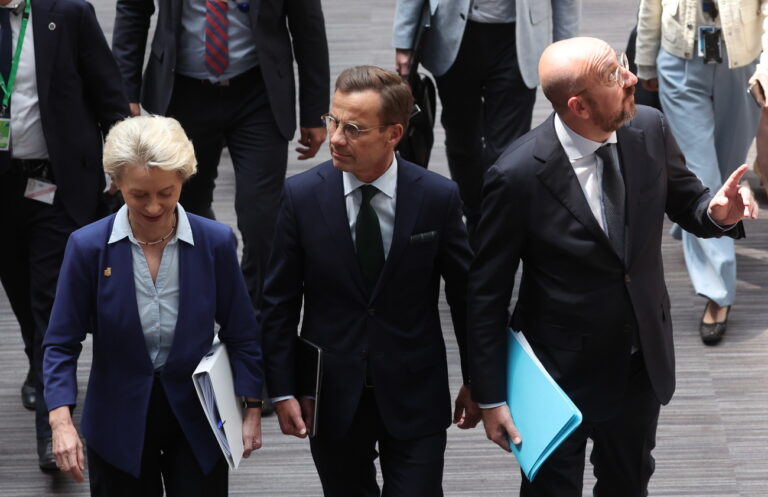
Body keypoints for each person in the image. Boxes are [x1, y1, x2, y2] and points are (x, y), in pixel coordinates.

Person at [468, 37, 757, 496]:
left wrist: (716, 213)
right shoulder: (516, 175)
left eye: (621, 65)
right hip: (556, 378)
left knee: (628, 483)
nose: (631, 79)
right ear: (578, 106)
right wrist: (489, 394)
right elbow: (485, 294)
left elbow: (688, 201)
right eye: (612, 75)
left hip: (639, 365)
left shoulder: (649, 128)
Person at [260, 65, 480, 497]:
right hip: (330, 396)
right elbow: (279, 301)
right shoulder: (300, 197)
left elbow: (466, 297)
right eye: (333, 121)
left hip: (416, 392)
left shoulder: (437, 197)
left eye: (354, 128)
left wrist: (479, 381)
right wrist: (282, 388)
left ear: (393, 134)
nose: (337, 138)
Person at [42, 116, 264, 496]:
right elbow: (61, 343)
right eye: (138, 194)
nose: (153, 206)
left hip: (200, 420)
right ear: (116, 184)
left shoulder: (216, 243)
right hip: (116, 422)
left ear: (183, 178)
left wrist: (253, 408)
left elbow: (242, 333)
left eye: (167, 191)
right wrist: (61, 421)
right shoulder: (87, 247)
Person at [111, 0, 330, 310]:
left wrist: (314, 110)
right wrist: (125, 93)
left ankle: (255, 320)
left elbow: (308, 24)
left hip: (259, 92)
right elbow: (133, 10)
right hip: (183, 93)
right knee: (186, 210)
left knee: (262, 219)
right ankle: (218, 270)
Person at [0, 0, 129, 471]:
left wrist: (121, 163)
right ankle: (40, 362)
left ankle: (54, 434)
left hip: (55, 185)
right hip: (2, 191)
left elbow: (108, 93)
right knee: (18, 286)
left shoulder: (68, 13)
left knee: (49, 299)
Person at [635, 0, 766, 344]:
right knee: (702, 170)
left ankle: (695, 219)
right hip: (680, 58)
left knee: (729, 166)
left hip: (741, 61)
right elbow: (652, 4)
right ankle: (718, 290)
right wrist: (646, 61)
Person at [392, 0, 580, 233]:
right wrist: (404, 39)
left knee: (507, 150)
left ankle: (497, 227)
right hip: (454, 37)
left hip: (519, 39)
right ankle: (474, 215)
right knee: (462, 143)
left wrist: (567, 48)